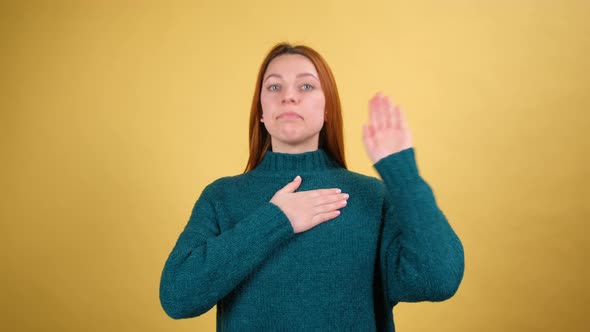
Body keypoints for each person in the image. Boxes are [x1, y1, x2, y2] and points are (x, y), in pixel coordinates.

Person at [159, 43, 464, 331]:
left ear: (327, 108)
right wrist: (276, 220)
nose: (288, 97)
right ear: (261, 112)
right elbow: (178, 297)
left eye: (306, 86)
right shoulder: (221, 197)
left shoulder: (373, 197)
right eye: (274, 86)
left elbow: (438, 279)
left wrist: (402, 173)